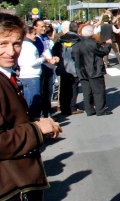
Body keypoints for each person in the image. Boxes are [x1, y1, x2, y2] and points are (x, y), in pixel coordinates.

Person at [0, 12, 62, 201]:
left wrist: (35, 122)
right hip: (10, 186)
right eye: (3, 44)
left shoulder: (6, 75)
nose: (11, 51)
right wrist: (35, 129)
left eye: (16, 43)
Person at [18, 26, 57, 119]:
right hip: (32, 75)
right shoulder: (30, 46)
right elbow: (33, 62)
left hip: (24, 75)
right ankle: (36, 119)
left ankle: (30, 118)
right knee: (36, 100)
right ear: (27, 34)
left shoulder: (22, 45)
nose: (36, 36)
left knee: (28, 100)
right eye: (34, 34)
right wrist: (43, 59)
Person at [73, 25, 112, 116]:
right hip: (94, 70)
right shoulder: (93, 43)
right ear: (92, 33)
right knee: (98, 91)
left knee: (87, 92)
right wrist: (108, 44)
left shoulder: (77, 45)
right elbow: (103, 52)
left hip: (82, 71)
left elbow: (74, 57)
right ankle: (100, 110)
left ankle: (89, 110)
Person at [52, 21, 84, 116]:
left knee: (64, 87)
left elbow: (54, 51)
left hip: (63, 66)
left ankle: (63, 107)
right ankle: (72, 107)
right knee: (74, 87)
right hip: (74, 66)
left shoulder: (60, 39)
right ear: (77, 29)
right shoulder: (78, 39)